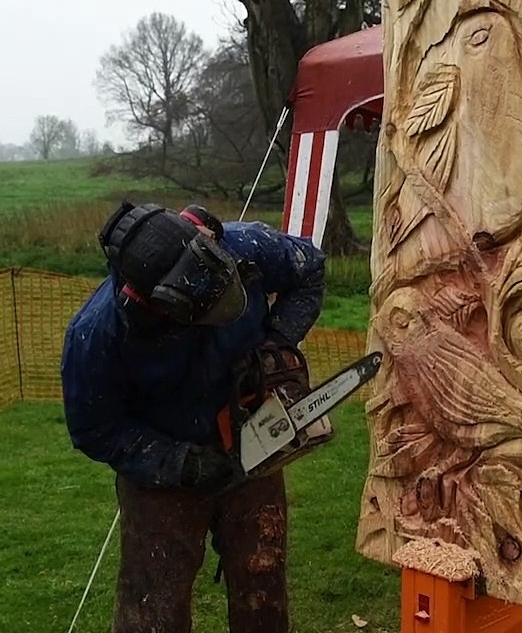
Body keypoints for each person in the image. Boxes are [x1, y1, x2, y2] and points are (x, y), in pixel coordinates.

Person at [60, 200, 326, 633]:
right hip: (162, 472)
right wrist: (175, 462)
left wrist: (276, 342)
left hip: (252, 440)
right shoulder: (97, 335)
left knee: (263, 585)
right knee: (154, 607)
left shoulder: (246, 246)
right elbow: (94, 428)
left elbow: (309, 268)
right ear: (156, 307)